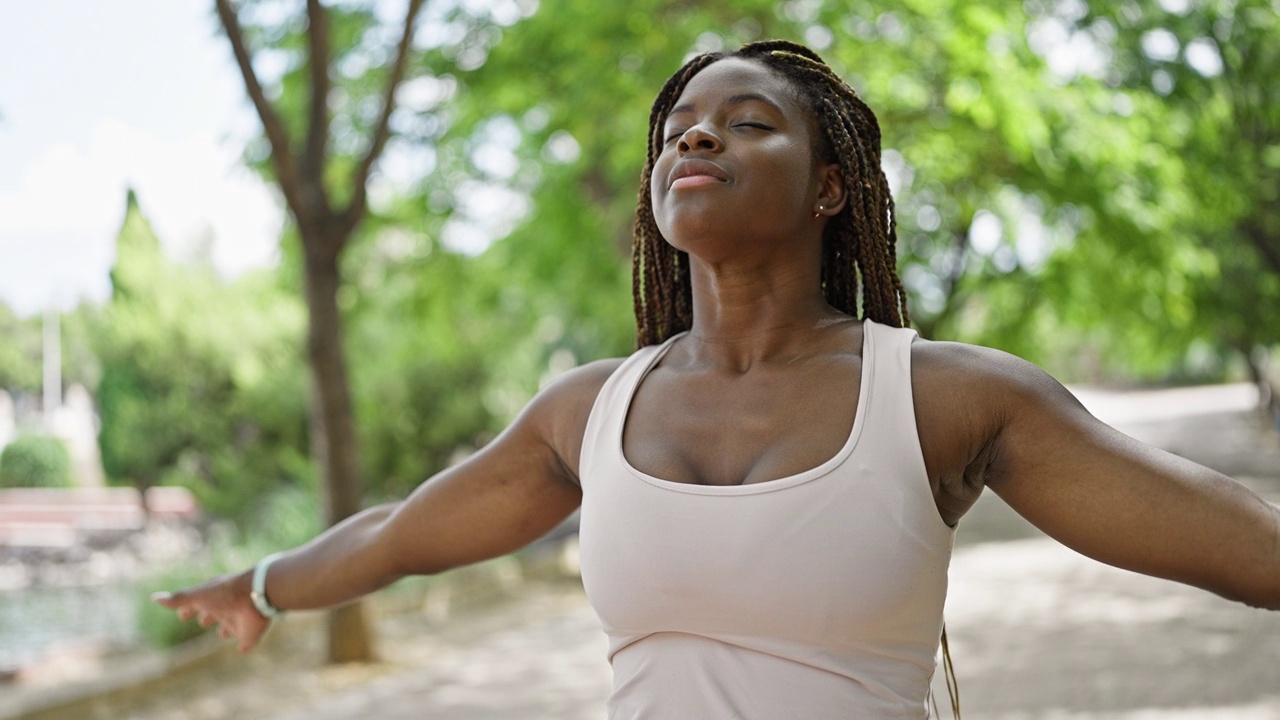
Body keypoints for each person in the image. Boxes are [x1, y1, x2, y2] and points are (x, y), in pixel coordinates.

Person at [154, 40, 1280, 719]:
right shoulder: (587, 411)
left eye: (747, 125)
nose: (696, 141)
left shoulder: (945, 398)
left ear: (832, 189)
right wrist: (259, 589)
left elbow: (1228, 536)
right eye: (679, 130)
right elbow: (402, 532)